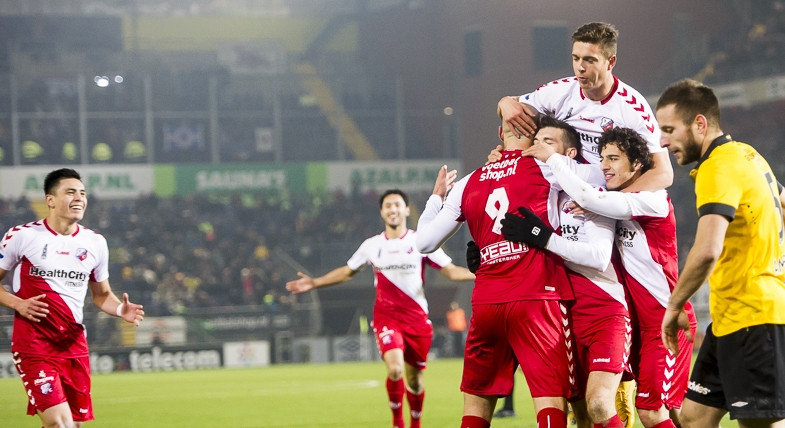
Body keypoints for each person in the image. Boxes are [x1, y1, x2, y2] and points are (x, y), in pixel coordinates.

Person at [417, 116, 602, 428]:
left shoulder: (468, 182)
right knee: (551, 401)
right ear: (535, 134)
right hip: (536, 299)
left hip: (486, 305)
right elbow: (607, 175)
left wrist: (436, 198)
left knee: (475, 408)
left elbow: (424, 243)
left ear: (501, 132)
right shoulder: (548, 166)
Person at [518, 127, 697, 428]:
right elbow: (592, 197)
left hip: (664, 319)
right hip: (639, 322)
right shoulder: (614, 201)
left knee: (652, 411)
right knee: (680, 414)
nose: (604, 166)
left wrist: (553, 159)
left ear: (637, 164)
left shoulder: (652, 199)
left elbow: (589, 196)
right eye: (602, 158)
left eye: (613, 158)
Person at [286, 189, 474, 428]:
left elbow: (452, 272)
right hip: (387, 317)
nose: (392, 209)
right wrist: (315, 282)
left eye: (397, 205)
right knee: (394, 369)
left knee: (415, 380)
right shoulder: (371, 245)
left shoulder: (420, 242)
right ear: (382, 212)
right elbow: (347, 271)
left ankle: (416, 423)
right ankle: (398, 423)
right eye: (388, 206)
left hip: (417, 319)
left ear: (406, 210)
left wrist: (481, 273)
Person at [657, 79, 785, 428]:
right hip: (731, 318)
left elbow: (707, 250)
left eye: (669, 130)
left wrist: (674, 305)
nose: (663, 141)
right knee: (694, 418)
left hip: (753, 318)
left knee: (761, 424)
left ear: (699, 124)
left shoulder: (717, 167)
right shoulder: (747, 155)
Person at [499, 117, 628, 428]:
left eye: (548, 142)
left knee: (601, 404)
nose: (537, 148)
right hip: (559, 318)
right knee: (579, 414)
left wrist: (545, 238)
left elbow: (599, 257)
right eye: (535, 142)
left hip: (603, 309)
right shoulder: (540, 199)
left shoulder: (590, 196)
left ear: (569, 155)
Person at [0, 168, 145, 428]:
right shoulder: (22, 236)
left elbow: (102, 295)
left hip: (74, 346)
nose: (79, 198)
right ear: (50, 200)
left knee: (73, 425)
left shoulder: (95, 242)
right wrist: (17, 303)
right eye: (70, 192)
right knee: (60, 424)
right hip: (34, 345)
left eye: (82, 193)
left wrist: (119, 309)